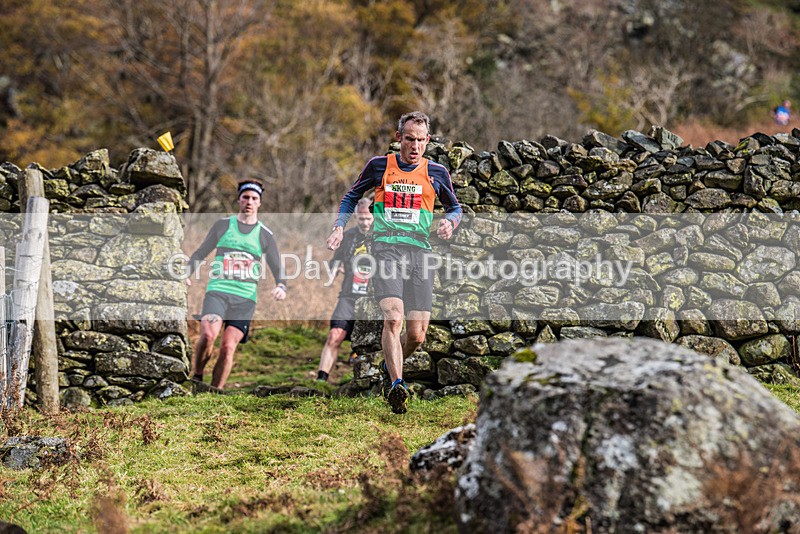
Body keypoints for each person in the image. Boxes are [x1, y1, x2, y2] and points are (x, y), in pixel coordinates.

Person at [326, 111, 462, 413]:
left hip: (420, 252)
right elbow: (351, 196)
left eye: (421, 140)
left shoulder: (436, 172)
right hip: (386, 248)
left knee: (417, 335)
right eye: (410, 139)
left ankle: (389, 369)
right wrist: (339, 227)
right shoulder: (379, 166)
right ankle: (397, 385)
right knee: (393, 318)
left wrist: (450, 223)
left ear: (428, 140)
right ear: (399, 138)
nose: (415, 146)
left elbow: (455, 208)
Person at [185, 180, 287, 390]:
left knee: (228, 347)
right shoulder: (223, 225)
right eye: (245, 197)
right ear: (239, 200)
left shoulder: (265, 234)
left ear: (259, 203)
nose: (249, 202)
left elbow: (277, 267)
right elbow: (201, 252)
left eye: (254, 198)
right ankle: (197, 376)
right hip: (218, 292)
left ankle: (215, 392)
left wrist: (281, 286)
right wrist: (186, 274)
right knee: (208, 335)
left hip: (245, 299)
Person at [316, 198, 374, 382]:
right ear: (355, 217)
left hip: (372, 298)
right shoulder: (348, 236)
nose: (365, 223)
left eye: (368, 219)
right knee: (334, 336)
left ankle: (359, 381)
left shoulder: (380, 237)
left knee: (367, 344)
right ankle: (321, 380)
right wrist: (334, 270)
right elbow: (335, 261)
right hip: (349, 295)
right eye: (361, 219)